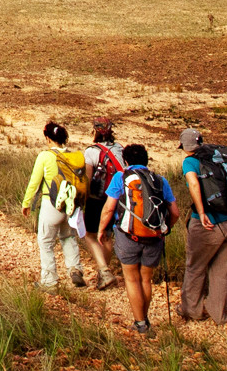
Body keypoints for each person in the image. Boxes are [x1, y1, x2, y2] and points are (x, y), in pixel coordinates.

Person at [98, 143, 179, 336]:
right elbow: (175, 212)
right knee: (146, 279)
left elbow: (109, 208)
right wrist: (165, 229)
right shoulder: (160, 180)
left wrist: (101, 229)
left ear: (126, 161)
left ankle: (140, 323)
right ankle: (145, 318)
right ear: (146, 160)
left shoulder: (121, 177)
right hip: (153, 236)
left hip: (128, 235)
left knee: (132, 279)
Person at [178, 127, 227, 325]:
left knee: (195, 267)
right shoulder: (222, 157)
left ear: (184, 146)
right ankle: (219, 315)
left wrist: (201, 213)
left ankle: (192, 311)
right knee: (222, 272)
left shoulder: (190, 162)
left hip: (209, 226)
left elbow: (194, 184)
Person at [20, 121, 86, 290]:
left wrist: (26, 203)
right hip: (71, 206)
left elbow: (34, 182)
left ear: (48, 139)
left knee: (46, 241)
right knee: (68, 237)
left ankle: (50, 281)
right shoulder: (73, 156)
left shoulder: (45, 156)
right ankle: (75, 269)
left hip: (51, 204)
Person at [81, 118, 122, 290]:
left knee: (90, 235)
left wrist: (82, 199)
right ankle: (104, 273)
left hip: (96, 199)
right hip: (115, 197)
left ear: (95, 131)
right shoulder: (119, 148)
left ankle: (104, 271)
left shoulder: (91, 151)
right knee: (106, 235)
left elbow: (88, 179)